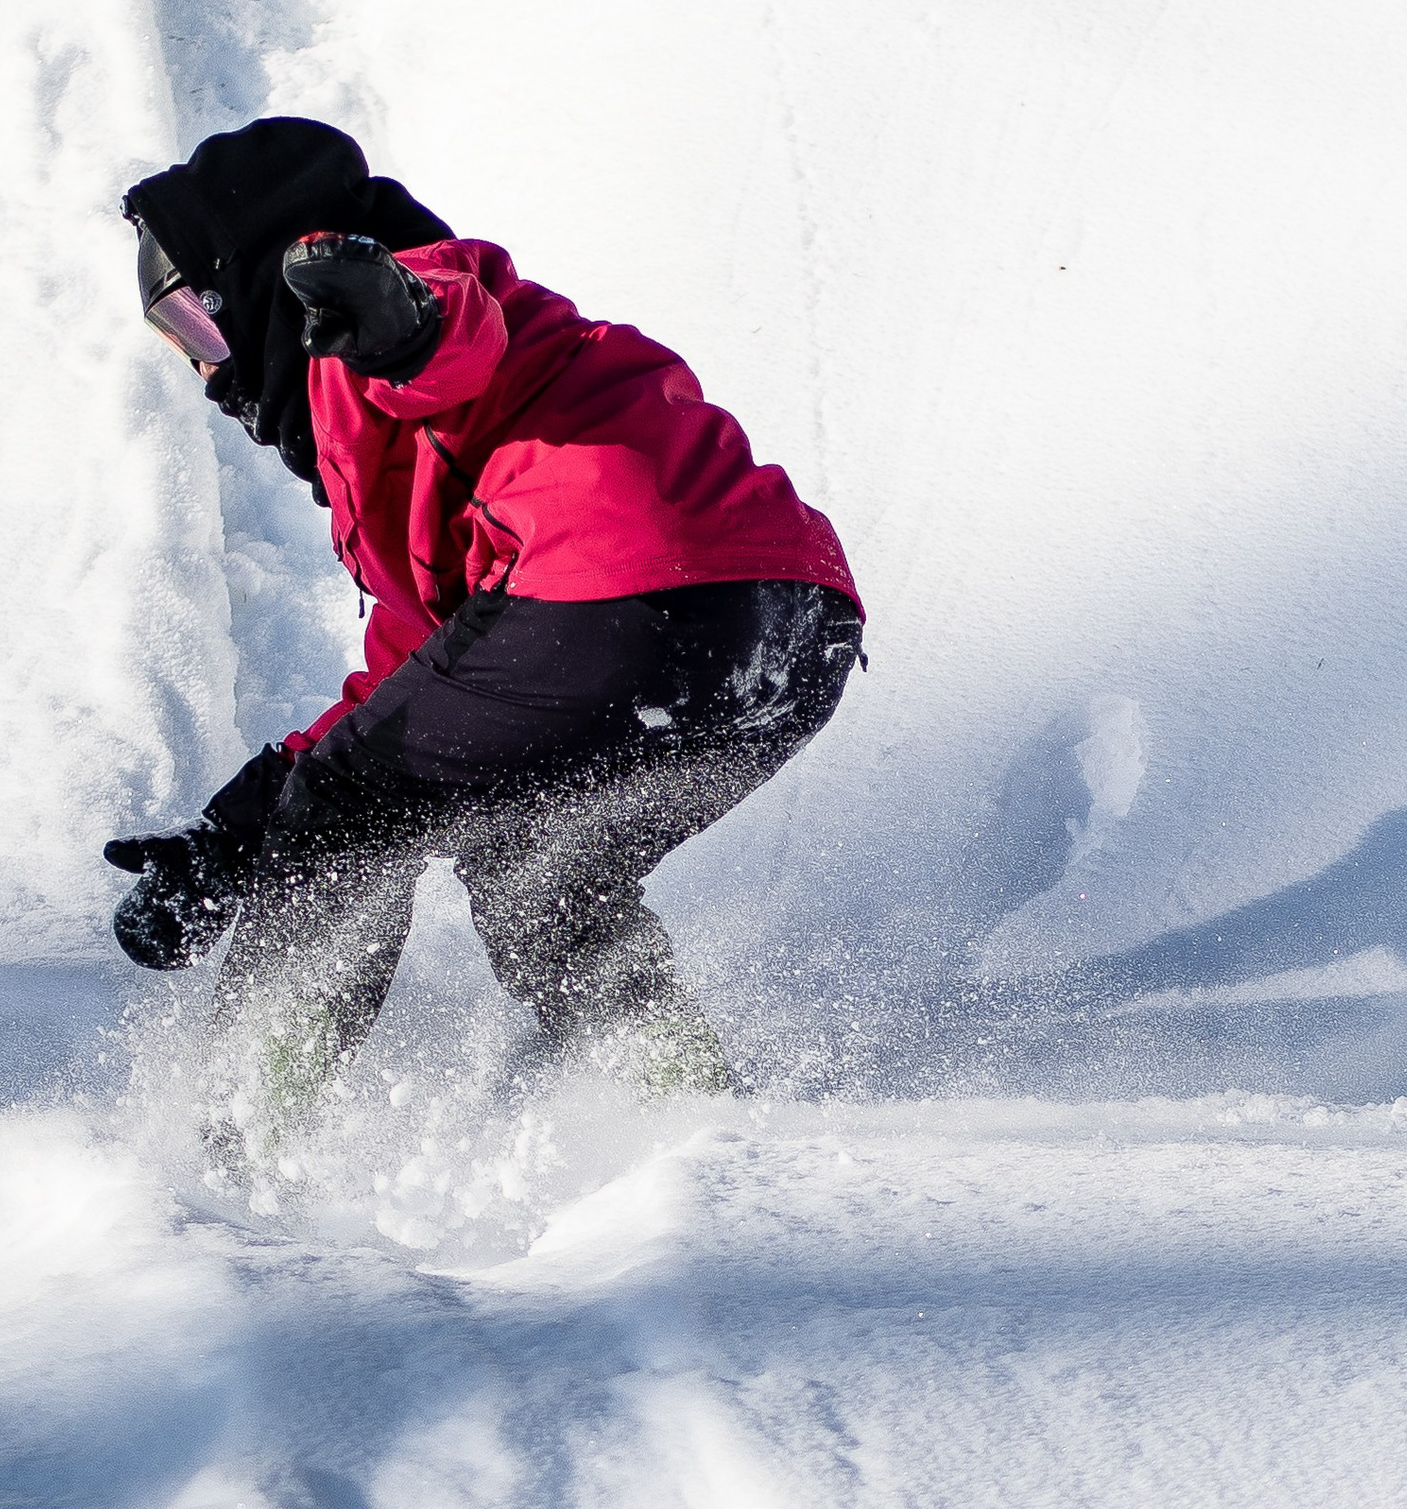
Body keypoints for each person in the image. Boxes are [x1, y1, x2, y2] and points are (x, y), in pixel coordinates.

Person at [104, 117, 862, 1153]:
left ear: (265, 279)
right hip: (786, 633)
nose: (205, 369)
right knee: (539, 869)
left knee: (343, 821)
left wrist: (385, 313)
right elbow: (421, 680)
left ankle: (232, 1147)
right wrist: (234, 838)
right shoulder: (429, 455)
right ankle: (691, 1129)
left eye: (200, 320)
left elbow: (444, 336)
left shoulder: (407, 316)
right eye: (175, 339)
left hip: (616, 603)